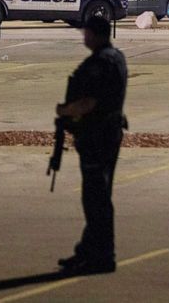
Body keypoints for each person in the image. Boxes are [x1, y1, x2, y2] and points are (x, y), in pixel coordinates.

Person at [55, 14, 128, 275]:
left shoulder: (100, 63)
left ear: (95, 34)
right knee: (99, 197)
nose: (84, 37)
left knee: (95, 199)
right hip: (109, 134)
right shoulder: (117, 57)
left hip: (98, 136)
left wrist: (65, 111)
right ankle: (90, 250)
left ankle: (101, 256)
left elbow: (90, 102)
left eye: (86, 33)